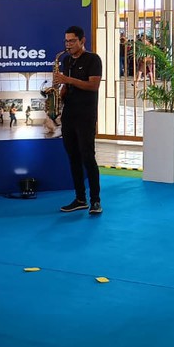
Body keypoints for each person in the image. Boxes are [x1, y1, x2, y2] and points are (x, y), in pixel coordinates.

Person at [54, 25, 103, 215]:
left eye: (72, 41)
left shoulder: (93, 59)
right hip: (69, 114)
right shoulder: (66, 61)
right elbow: (68, 88)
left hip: (86, 115)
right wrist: (61, 90)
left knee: (88, 157)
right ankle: (80, 198)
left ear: (82, 41)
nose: (68, 44)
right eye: (66, 41)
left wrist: (68, 80)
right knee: (73, 157)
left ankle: (96, 200)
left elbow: (93, 85)